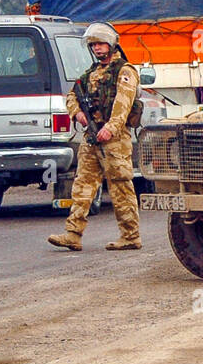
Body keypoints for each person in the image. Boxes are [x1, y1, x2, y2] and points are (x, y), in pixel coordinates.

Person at [48, 22, 142, 252]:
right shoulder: (91, 73)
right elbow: (72, 96)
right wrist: (77, 113)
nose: (98, 49)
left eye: (100, 44)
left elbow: (123, 104)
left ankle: (130, 235)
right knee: (82, 185)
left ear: (111, 44)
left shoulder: (125, 71)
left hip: (115, 139)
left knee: (120, 186)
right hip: (92, 136)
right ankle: (73, 233)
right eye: (94, 45)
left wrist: (110, 128)